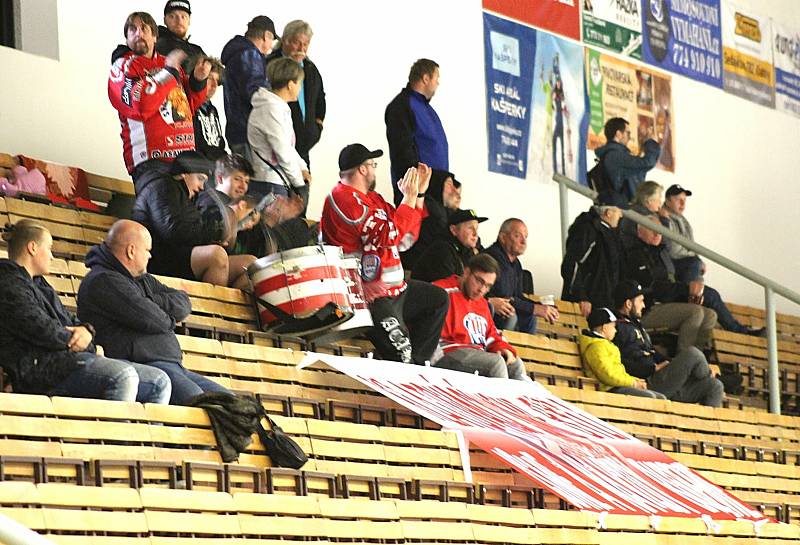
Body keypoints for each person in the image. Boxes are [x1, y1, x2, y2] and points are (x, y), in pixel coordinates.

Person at [0, 220, 170, 403]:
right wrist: (90, 345)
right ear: (32, 248)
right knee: (122, 376)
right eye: (48, 248)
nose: (51, 256)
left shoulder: (40, 285)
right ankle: (113, 432)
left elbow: (69, 320)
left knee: (159, 381)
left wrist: (86, 331)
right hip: (37, 369)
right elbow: (43, 330)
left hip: (66, 360)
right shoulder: (8, 283)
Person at [320, 143, 448, 364]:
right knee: (402, 355)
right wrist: (409, 196)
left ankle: (417, 369)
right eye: (373, 165)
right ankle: (411, 372)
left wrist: (419, 196)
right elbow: (389, 236)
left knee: (437, 300)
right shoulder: (344, 198)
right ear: (363, 169)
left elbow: (405, 239)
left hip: (396, 291)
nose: (374, 170)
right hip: (369, 296)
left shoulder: (373, 198)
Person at [78, 220, 231, 405]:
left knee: (236, 404)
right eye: (147, 250)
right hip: (145, 366)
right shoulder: (103, 281)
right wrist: (166, 316)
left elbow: (183, 302)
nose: (150, 256)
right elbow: (154, 320)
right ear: (131, 251)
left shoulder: (143, 279)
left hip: (173, 366)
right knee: (209, 405)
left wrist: (150, 301)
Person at [131, 150, 255, 288]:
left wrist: (215, 237)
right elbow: (174, 231)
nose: (202, 187)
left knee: (251, 264)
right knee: (216, 256)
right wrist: (216, 233)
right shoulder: (162, 186)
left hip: (177, 255)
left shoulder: (186, 194)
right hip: (157, 259)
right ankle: (212, 309)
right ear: (184, 174)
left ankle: (230, 309)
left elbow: (191, 229)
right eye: (200, 179)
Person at [109, 11, 210, 180]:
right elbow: (140, 106)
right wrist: (168, 74)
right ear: (126, 39)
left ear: (155, 36)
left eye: (144, 29)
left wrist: (198, 81)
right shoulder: (122, 67)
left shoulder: (169, 63)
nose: (139, 33)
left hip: (183, 159)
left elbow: (188, 106)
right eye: (132, 30)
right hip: (151, 161)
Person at [625, 216, 762, 339]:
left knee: (710, 315)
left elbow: (670, 282)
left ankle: (698, 360)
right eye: (652, 229)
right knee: (702, 305)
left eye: (660, 230)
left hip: (667, 300)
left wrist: (688, 292)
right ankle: (687, 357)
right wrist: (687, 290)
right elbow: (656, 289)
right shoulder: (636, 255)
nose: (657, 233)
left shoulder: (662, 253)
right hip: (650, 306)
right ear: (639, 232)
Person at [613, 281, 724, 407]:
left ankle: (706, 424)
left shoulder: (637, 326)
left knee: (715, 387)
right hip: (647, 383)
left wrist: (673, 364)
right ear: (628, 304)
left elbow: (651, 353)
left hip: (665, 381)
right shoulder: (617, 328)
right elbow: (619, 361)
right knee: (693, 353)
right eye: (640, 301)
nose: (644, 305)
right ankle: (711, 375)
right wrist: (652, 369)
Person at [432, 254, 530, 380]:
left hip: (476, 354)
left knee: (515, 364)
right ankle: (498, 400)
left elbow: (492, 335)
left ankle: (517, 400)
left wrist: (502, 348)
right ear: (466, 272)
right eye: (479, 281)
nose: (482, 290)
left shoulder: (482, 303)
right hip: (445, 352)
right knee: (495, 364)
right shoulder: (441, 291)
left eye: (488, 286)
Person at [385, 58, 449, 205]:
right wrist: (418, 187)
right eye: (436, 78)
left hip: (434, 191)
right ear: (426, 78)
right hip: (419, 193)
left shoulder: (426, 109)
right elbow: (402, 151)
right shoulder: (402, 106)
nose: (438, 83)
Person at [247, 57, 311, 203]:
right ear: (290, 85)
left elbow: (288, 147)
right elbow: (282, 150)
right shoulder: (270, 109)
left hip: (277, 182)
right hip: (269, 185)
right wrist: (299, 184)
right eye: (299, 83)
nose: (300, 89)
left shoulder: (278, 107)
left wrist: (303, 168)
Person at [266, 20, 326, 168]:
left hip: (304, 147)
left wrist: (317, 126)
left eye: (306, 44)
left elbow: (320, 99)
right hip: (277, 149)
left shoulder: (310, 69)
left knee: (303, 188)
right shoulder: (270, 65)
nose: (301, 48)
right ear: (285, 40)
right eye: (297, 43)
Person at [485, 218, 559, 334]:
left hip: (503, 311)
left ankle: (526, 351)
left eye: (525, 237)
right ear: (503, 237)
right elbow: (505, 298)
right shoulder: (492, 258)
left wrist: (540, 306)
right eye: (518, 236)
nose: (524, 242)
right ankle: (502, 350)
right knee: (511, 315)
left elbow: (517, 296)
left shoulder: (516, 264)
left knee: (530, 317)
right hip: (486, 310)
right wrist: (535, 308)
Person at [579, 307, 666, 399]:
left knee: (661, 398)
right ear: (604, 328)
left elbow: (619, 373)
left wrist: (635, 380)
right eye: (613, 327)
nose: (616, 331)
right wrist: (633, 383)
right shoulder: (596, 347)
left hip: (618, 386)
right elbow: (608, 375)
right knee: (650, 397)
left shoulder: (605, 345)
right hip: (609, 389)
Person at [221, 15, 276, 157]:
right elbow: (257, 95)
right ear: (266, 36)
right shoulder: (250, 55)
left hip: (237, 131)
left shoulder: (237, 54)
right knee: (252, 178)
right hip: (251, 134)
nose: (271, 47)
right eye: (272, 40)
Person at [560, 197, 624, 316]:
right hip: (587, 304)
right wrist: (580, 296)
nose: (621, 215)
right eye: (618, 211)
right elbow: (571, 263)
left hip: (603, 301)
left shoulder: (608, 232)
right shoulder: (588, 229)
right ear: (608, 213)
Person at [400, 170, 461, 272]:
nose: (455, 192)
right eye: (450, 185)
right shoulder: (430, 208)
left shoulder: (443, 211)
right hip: (414, 271)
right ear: (437, 185)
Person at [594, 117, 660, 206]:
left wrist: (643, 149)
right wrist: (650, 142)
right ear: (618, 134)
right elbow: (647, 163)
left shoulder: (614, 155)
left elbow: (636, 170)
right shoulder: (615, 155)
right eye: (628, 133)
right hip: (624, 208)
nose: (630, 137)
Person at [411, 209, 487, 283]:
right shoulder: (441, 250)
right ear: (453, 230)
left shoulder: (468, 251)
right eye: (470, 228)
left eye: (476, 229)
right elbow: (448, 287)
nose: (475, 234)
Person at [660, 184, 704, 283]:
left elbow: (691, 244)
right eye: (677, 199)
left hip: (685, 262)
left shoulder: (682, 219)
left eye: (684, 199)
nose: (682, 203)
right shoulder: (663, 219)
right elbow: (674, 251)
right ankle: (688, 295)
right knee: (694, 263)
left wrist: (698, 258)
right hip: (670, 264)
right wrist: (695, 257)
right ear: (667, 201)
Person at [155, 0, 205, 73]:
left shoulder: (197, 51)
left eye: (183, 16)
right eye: (172, 16)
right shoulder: (153, 42)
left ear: (189, 20)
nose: (179, 21)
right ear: (165, 20)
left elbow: (219, 76)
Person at [193, 57, 226, 161]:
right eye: (210, 79)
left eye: (217, 81)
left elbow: (219, 143)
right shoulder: (188, 107)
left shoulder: (212, 109)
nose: (215, 85)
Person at [619, 180, 664, 250]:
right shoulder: (642, 216)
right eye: (659, 198)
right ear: (649, 200)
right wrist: (665, 219)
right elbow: (660, 241)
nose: (660, 202)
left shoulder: (634, 211)